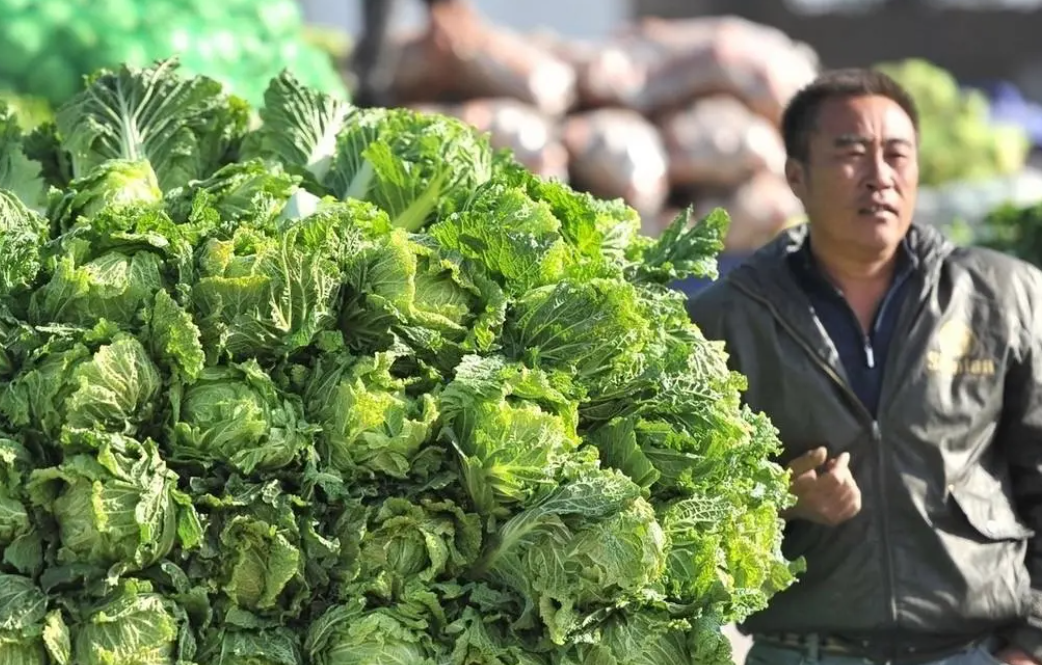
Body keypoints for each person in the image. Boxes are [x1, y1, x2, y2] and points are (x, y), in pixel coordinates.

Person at [687, 68, 1042, 665]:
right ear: (796, 177)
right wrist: (782, 500)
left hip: (974, 652)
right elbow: (677, 507)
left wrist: (1031, 643)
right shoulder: (727, 319)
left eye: (897, 154)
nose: (879, 175)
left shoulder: (1003, 296)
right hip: (803, 652)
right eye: (850, 153)